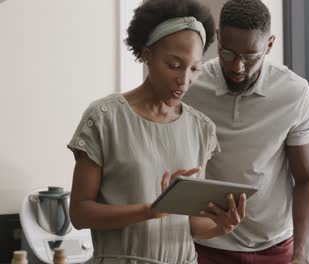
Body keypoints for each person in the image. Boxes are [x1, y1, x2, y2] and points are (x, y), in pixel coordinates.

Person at [67, 0, 246, 263]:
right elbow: (79, 214)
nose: (184, 80)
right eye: (174, 65)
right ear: (147, 55)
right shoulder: (104, 118)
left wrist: (223, 226)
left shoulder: (201, 128)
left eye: (194, 68)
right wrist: (149, 211)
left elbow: (193, 225)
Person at [183, 0, 309, 263]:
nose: (237, 67)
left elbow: (307, 180)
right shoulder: (192, 87)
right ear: (218, 39)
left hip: (276, 247)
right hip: (207, 245)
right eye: (228, 53)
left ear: (269, 45)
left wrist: (301, 256)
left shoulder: (294, 93)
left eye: (250, 57)